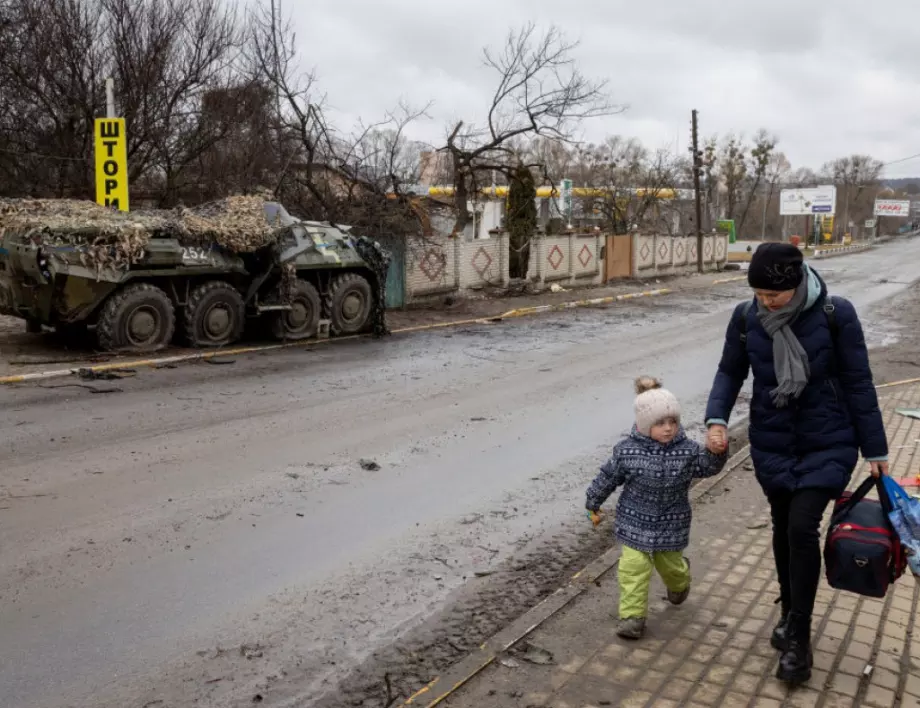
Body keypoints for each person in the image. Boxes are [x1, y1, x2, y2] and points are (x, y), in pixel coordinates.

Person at [705, 242, 888, 685]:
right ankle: (789, 612)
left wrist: (876, 449)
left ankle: (800, 637)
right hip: (774, 440)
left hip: (829, 438)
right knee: (783, 526)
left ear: (797, 282)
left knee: (803, 527)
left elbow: (858, 382)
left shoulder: (835, 313)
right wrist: (716, 419)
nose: (766, 302)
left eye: (775, 295)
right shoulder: (747, 318)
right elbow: (730, 371)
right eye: (760, 294)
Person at [586, 376, 728, 640]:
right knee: (633, 569)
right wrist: (593, 501)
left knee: (670, 566)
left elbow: (707, 468)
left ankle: (680, 582)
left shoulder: (688, 451)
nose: (668, 428)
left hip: (671, 525)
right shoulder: (626, 451)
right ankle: (632, 618)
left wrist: (715, 452)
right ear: (644, 425)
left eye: (672, 421)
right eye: (660, 423)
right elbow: (608, 477)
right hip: (633, 523)